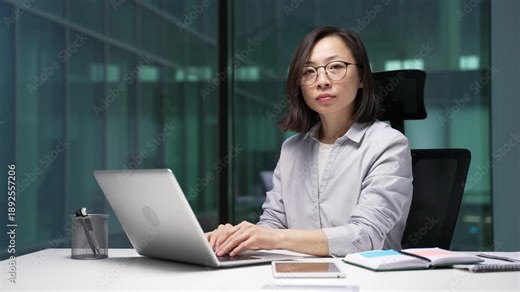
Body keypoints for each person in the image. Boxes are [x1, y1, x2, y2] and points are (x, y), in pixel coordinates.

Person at [206, 27, 413, 257]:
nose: (322, 81)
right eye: (308, 71)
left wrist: (274, 238)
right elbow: (273, 223)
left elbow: (364, 237)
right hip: (297, 275)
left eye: (335, 67)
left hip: (366, 281)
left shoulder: (388, 145)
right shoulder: (292, 149)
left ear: (362, 77)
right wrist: (238, 236)